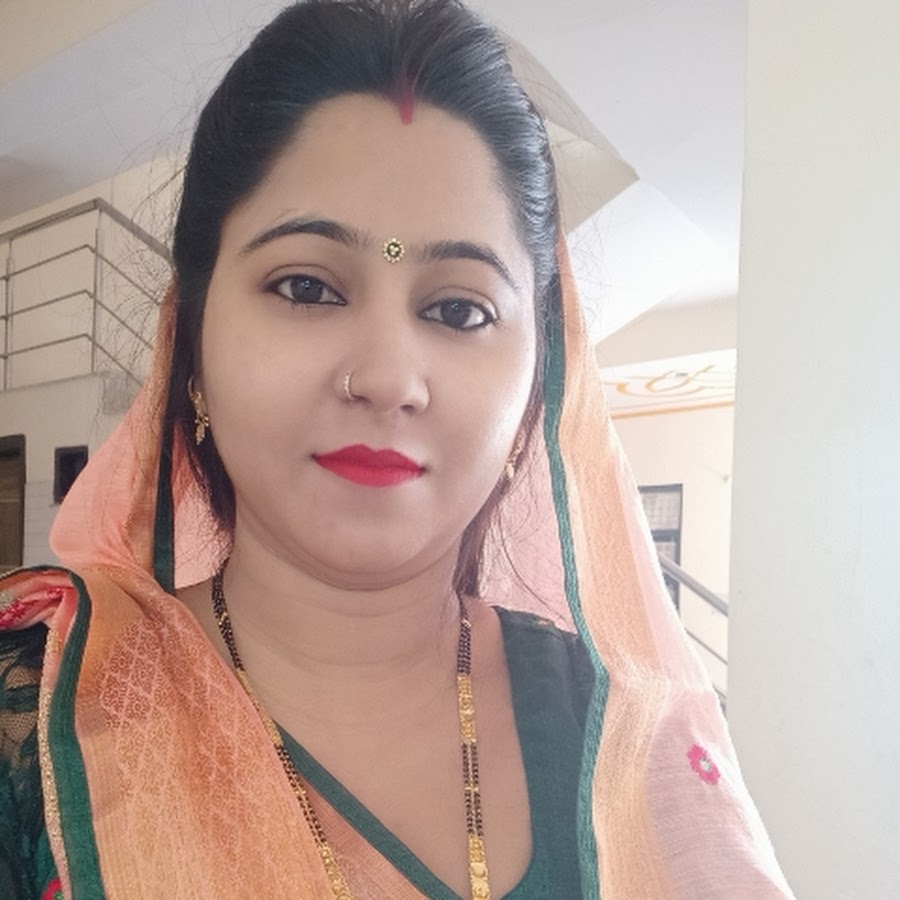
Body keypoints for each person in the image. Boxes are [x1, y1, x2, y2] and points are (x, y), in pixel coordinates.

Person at [0, 1, 795, 897]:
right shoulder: (41, 721)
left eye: (458, 309)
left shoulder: (624, 738)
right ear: (190, 346)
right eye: (306, 287)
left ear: (536, 390)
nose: (385, 377)